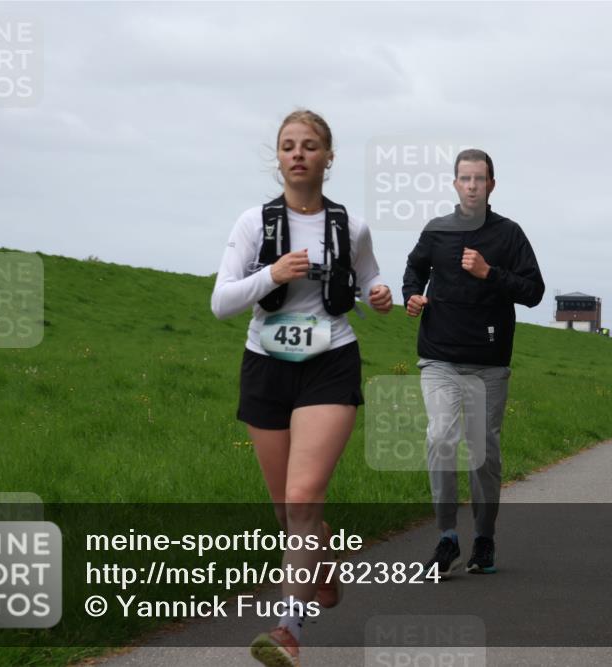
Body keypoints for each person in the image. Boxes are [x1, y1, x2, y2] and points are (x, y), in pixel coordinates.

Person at [211, 110, 393, 667]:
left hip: (330, 362)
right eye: (288, 146)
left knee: (303, 496)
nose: (297, 154)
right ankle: (323, 564)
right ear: (278, 157)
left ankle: (288, 629)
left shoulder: (350, 226)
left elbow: (366, 284)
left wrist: (379, 296)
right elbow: (221, 302)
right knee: (285, 510)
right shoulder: (252, 223)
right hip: (265, 364)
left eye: (309, 146)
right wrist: (274, 274)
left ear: (328, 156)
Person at [403, 148, 544, 578]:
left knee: (483, 454)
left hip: (489, 362)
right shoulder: (437, 230)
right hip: (439, 357)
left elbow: (534, 290)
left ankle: (484, 538)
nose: (471, 186)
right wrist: (412, 293)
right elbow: (414, 267)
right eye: (464, 178)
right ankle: (447, 536)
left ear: (491, 185)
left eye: (479, 179)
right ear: (454, 183)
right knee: (440, 436)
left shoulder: (509, 235)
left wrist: (490, 273)